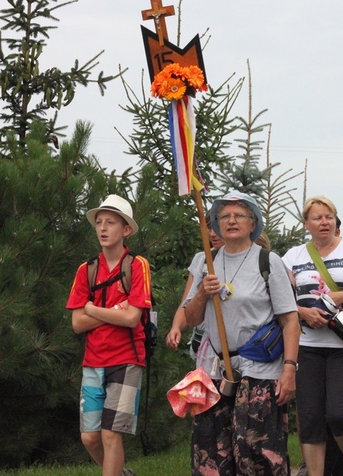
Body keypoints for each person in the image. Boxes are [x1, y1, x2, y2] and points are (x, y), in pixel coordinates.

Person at [184, 191, 300, 475]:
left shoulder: (268, 261)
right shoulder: (205, 262)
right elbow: (190, 317)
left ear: (253, 223)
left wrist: (289, 369)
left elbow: (290, 320)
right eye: (224, 216)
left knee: (258, 454)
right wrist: (201, 293)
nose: (231, 220)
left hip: (259, 369)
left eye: (239, 215)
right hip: (214, 371)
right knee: (211, 455)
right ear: (215, 223)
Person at [282, 196, 343, 476]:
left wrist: (338, 296)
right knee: (310, 418)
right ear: (306, 224)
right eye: (317, 218)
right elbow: (280, 297)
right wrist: (302, 311)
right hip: (307, 346)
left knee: (338, 413)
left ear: (336, 220)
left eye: (329, 216)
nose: (324, 222)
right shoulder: (294, 256)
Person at [66, 194, 152, 476]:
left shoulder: (137, 265)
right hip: (93, 362)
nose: (103, 228)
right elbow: (77, 323)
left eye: (111, 222)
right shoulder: (86, 270)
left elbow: (131, 318)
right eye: (99, 222)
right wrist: (111, 310)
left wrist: (92, 308)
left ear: (125, 230)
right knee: (90, 437)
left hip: (127, 360)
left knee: (111, 434)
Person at [165, 220, 224, 353]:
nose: (212, 234)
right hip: (204, 345)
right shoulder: (201, 259)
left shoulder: (249, 259)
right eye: (209, 228)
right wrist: (176, 327)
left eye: (217, 228)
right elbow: (186, 302)